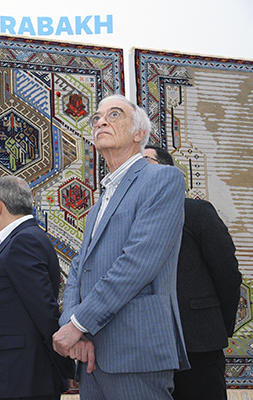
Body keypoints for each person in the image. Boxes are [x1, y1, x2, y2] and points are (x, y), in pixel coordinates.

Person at [52, 94, 189, 399]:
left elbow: (138, 263)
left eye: (114, 115)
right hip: (90, 355)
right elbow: (79, 268)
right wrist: (74, 329)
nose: (101, 121)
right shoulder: (98, 204)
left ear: (139, 133)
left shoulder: (162, 179)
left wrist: (78, 323)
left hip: (135, 351)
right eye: (97, 117)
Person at [144, 144, 241, 400]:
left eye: (146, 162)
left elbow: (227, 274)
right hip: (147, 348)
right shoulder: (130, 221)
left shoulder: (196, 212)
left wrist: (215, 325)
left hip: (197, 342)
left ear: (168, 172)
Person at [0, 175, 74, 400]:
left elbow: (44, 310)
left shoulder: (23, 241)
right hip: (18, 375)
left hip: (25, 377)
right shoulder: (20, 238)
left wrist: (66, 366)